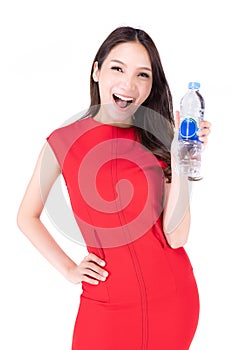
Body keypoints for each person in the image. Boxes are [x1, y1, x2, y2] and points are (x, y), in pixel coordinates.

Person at [17, 26, 211, 350]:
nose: (128, 84)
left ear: (152, 85)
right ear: (96, 70)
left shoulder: (159, 139)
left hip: (173, 301)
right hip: (104, 306)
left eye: (142, 75)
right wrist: (68, 269)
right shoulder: (62, 142)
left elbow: (176, 237)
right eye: (117, 68)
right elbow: (26, 216)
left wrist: (180, 159)